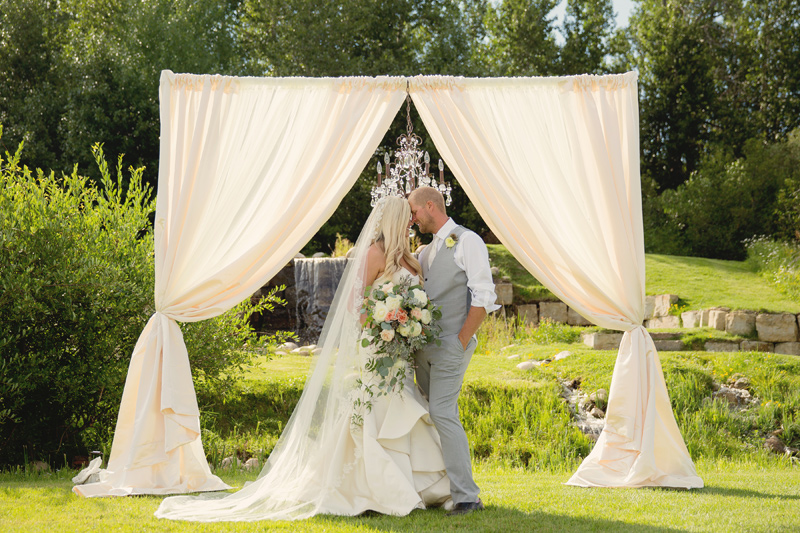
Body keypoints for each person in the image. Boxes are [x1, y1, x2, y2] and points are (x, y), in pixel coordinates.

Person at [155, 196, 451, 522]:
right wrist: (387, 323)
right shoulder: (373, 255)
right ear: (396, 218)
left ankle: (415, 486)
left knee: (403, 406)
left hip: (402, 353)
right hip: (379, 347)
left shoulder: (412, 259)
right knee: (378, 409)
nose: (412, 220)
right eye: (407, 215)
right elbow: (355, 305)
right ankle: (380, 489)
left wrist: (410, 322)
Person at [407, 186, 499, 516]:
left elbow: (483, 297)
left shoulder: (467, 240)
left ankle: (467, 497)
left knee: (443, 412)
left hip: (450, 347)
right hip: (423, 351)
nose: (412, 219)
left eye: (414, 212)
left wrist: (460, 341)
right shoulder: (423, 251)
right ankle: (440, 487)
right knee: (431, 415)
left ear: (430, 206)